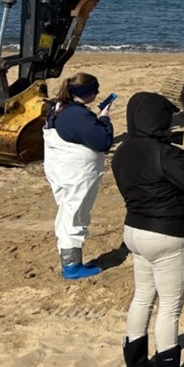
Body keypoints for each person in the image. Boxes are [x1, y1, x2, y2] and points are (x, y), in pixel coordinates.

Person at [112, 92, 184, 367]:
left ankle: (135, 365)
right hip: (166, 235)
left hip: (135, 230)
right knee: (169, 308)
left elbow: (156, 175)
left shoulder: (123, 151)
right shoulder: (164, 153)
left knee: (142, 297)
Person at [42, 72, 115, 280]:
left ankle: (68, 259)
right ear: (86, 93)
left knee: (67, 212)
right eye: (95, 89)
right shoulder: (78, 116)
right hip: (76, 173)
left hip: (59, 169)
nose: (99, 92)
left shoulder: (57, 107)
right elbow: (103, 141)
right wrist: (104, 118)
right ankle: (72, 266)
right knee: (76, 215)